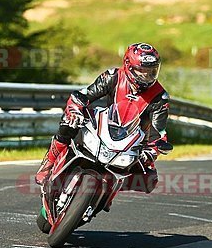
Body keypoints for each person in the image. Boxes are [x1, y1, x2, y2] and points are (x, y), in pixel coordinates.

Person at [34, 42, 170, 196]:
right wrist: (76, 109)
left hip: (134, 140)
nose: (147, 76)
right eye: (142, 71)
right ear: (128, 66)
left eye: (152, 71)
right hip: (105, 124)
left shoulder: (160, 97)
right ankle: (49, 162)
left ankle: (109, 194)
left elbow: (159, 131)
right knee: (69, 123)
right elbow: (84, 95)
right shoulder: (113, 76)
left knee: (150, 179)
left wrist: (153, 150)